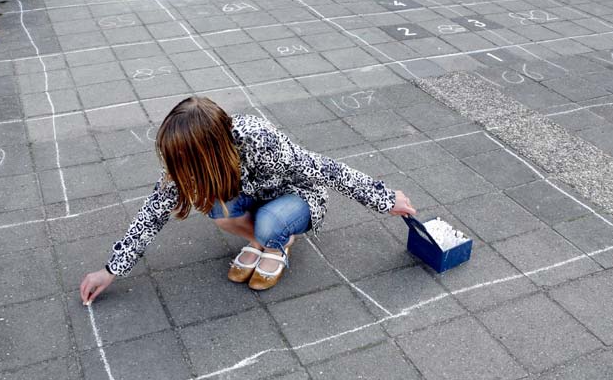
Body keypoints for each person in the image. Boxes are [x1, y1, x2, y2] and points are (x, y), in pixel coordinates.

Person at [80, 96, 416, 303]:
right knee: (215, 205)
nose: (177, 167)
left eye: (184, 160)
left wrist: (384, 197)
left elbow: (322, 168)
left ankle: (277, 243)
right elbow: (152, 213)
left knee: (271, 226)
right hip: (253, 199)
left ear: (208, 150)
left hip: (298, 198)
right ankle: (260, 240)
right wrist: (110, 270)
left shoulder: (258, 138)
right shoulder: (192, 164)